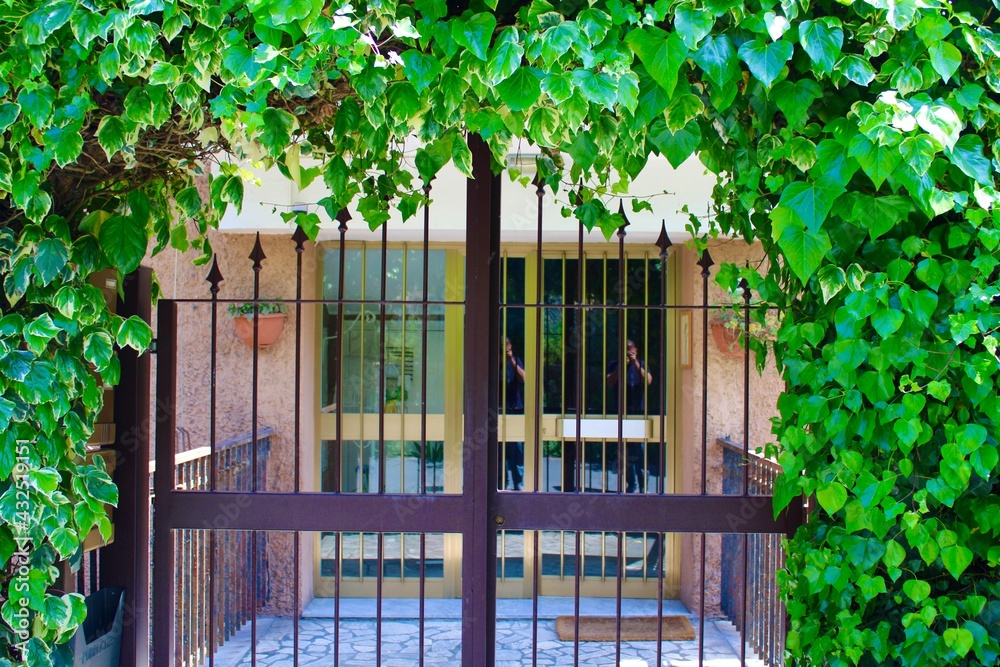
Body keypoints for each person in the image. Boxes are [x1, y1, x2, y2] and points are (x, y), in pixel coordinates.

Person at [606, 339, 653, 493]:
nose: (628, 353)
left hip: (638, 413)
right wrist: (622, 365)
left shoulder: (642, 364)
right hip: (621, 413)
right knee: (624, 452)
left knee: (639, 450)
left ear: (636, 350)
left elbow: (648, 381)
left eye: (630, 350)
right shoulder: (615, 364)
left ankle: (643, 485)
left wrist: (635, 364)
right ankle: (630, 485)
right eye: (625, 351)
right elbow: (609, 382)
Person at [500, 338, 525, 490]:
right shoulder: (493, 361)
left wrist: (510, 360)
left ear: (511, 347)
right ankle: (499, 481)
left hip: (515, 409)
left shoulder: (515, 361)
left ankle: (518, 482)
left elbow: (523, 379)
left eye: (506, 347)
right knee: (497, 449)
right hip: (497, 410)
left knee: (517, 448)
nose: (504, 350)